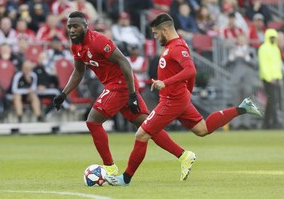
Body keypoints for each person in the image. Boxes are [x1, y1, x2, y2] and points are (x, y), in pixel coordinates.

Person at [104, 13, 263, 186]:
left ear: (165, 30)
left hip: (172, 100)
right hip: (178, 98)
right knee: (202, 129)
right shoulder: (175, 45)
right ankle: (242, 108)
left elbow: (191, 70)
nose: (155, 38)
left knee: (141, 134)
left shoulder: (177, 47)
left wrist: (166, 83)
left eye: (156, 34)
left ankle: (125, 178)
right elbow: (187, 72)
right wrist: (187, 91)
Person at [52, 11, 197, 176]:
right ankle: (184, 155)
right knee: (147, 126)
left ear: (85, 26)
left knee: (93, 122)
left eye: (76, 26)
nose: (72, 30)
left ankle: (110, 168)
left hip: (120, 85)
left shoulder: (99, 41)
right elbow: (78, 72)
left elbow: (125, 64)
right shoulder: (75, 45)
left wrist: (132, 94)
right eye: (69, 26)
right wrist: (64, 94)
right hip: (116, 86)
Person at [258, 29, 283, 129]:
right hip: (267, 79)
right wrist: (269, 78)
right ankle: (275, 122)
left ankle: (266, 123)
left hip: (276, 78)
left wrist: (279, 78)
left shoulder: (276, 49)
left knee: (271, 100)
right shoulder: (263, 48)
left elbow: (278, 65)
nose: (273, 39)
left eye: (274, 37)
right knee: (273, 100)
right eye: (271, 37)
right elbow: (263, 65)